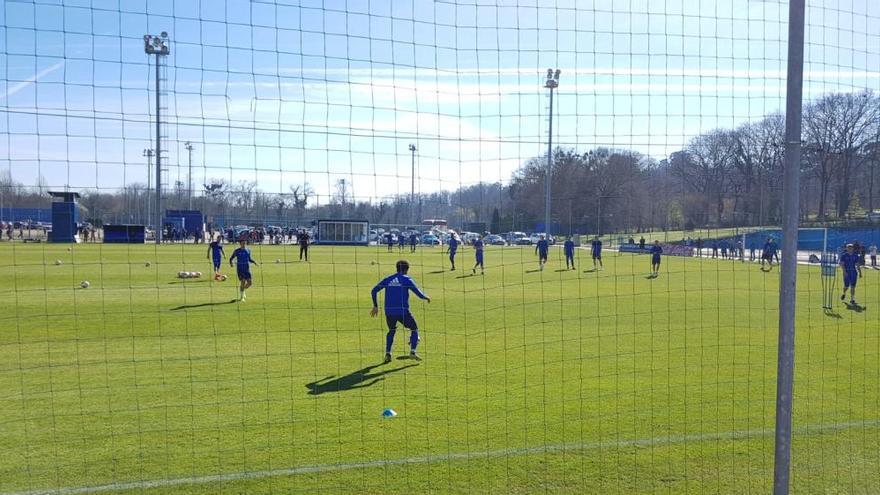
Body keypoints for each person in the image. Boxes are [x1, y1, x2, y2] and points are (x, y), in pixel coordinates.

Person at [370, 260, 431, 363]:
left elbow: (373, 291)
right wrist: (426, 297)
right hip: (403, 311)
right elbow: (418, 293)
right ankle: (412, 351)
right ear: (406, 269)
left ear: (397, 268)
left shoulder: (388, 279)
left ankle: (388, 354)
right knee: (414, 329)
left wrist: (375, 306)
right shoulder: (406, 279)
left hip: (389, 312)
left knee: (391, 331)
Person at [229, 237, 259, 301]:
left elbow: (249, 259)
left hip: (247, 269)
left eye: (245, 243)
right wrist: (231, 263)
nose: (244, 244)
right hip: (240, 269)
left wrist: (254, 262)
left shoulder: (248, 250)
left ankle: (243, 290)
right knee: (243, 281)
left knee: (250, 283)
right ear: (240, 244)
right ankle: (242, 297)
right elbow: (231, 258)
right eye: (243, 243)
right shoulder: (237, 251)